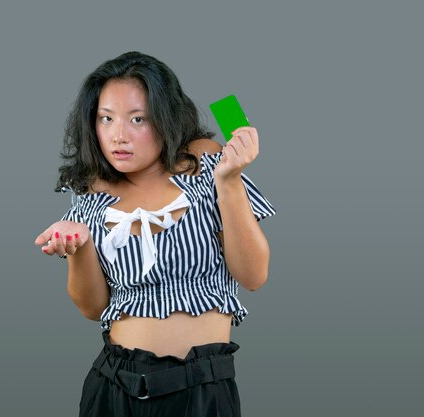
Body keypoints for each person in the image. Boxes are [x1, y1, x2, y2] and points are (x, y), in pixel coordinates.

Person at [34, 51, 277, 417]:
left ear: (165, 119)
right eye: (106, 119)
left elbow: (254, 275)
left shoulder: (210, 166)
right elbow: (93, 308)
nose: (119, 135)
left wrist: (229, 181)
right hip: (115, 388)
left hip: (202, 390)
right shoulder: (90, 195)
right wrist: (80, 246)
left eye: (138, 119)